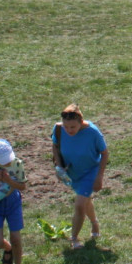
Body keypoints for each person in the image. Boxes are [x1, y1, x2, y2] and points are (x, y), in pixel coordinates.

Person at [51, 104, 109, 250]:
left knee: (79, 204)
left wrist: (99, 177)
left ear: (81, 122)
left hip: (90, 171)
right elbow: (55, 146)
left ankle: (74, 238)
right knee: (85, 200)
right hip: (73, 172)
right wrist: (59, 166)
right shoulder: (58, 129)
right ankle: (95, 223)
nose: (69, 130)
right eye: (66, 127)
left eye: (73, 127)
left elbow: (104, 153)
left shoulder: (93, 132)